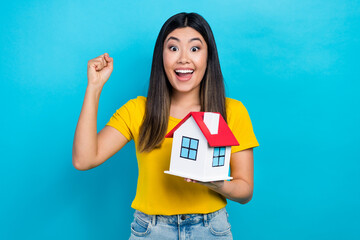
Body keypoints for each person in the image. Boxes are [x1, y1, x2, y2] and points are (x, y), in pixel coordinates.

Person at [73, 12, 259, 240]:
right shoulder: (138, 110)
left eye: (194, 48)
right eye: (173, 48)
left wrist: (217, 183)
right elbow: (84, 159)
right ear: (161, 56)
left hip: (211, 230)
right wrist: (94, 87)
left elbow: (245, 190)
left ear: (208, 56)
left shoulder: (231, 111)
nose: (183, 59)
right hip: (150, 230)